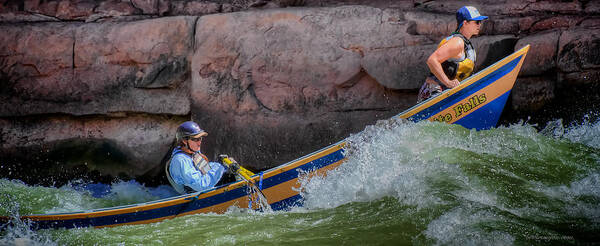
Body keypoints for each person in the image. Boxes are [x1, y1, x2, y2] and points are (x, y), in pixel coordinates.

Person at [417, 6, 488, 103]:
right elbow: (432, 60)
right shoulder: (457, 42)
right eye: (476, 22)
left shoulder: (466, 44)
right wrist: (448, 83)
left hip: (447, 93)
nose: (479, 25)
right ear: (465, 23)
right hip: (434, 92)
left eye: (480, 22)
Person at [165, 121, 227, 194]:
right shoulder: (180, 160)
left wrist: (225, 166)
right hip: (193, 200)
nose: (199, 143)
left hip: (202, 193)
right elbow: (202, 185)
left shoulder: (193, 153)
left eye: (200, 138)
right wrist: (219, 166)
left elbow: (206, 170)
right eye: (196, 139)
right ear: (184, 141)